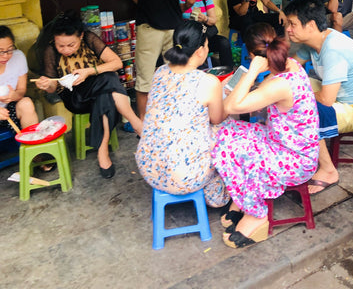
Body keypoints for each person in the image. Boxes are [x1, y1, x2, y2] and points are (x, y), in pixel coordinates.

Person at [212, 23, 319, 248]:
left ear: (253, 56)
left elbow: (230, 107)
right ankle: (242, 197)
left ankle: (256, 213)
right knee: (226, 132)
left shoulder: (279, 83)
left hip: (295, 159)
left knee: (228, 148)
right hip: (281, 142)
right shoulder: (289, 65)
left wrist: (250, 72)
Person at [284, 0, 353, 194]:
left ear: (310, 25)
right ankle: (301, 149)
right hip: (341, 99)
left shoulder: (333, 49)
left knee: (302, 109)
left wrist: (292, 96)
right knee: (289, 86)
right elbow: (289, 70)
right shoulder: (314, 41)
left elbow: (327, 100)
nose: (288, 29)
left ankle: (328, 170)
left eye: (292, 24)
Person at [36, 11, 143, 179]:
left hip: (98, 89)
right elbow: (52, 87)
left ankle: (103, 151)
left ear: (81, 36)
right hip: (74, 98)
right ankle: (135, 122)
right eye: (61, 46)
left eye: (71, 45)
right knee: (108, 81)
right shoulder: (50, 50)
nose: (65, 50)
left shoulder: (90, 39)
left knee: (105, 91)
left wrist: (89, 71)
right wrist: (47, 84)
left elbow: (116, 62)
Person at [135, 20, 229, 207]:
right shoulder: (208, 82)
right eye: (207, 45)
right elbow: (216, 118)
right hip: (186, 177)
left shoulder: (160, 72)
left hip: (149, 169)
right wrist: (226, 95)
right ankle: (217, 192)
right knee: (227, 128)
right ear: (200, 51)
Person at [179, 0, 233, 68]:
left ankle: (228, 73)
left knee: (224, 42)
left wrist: (204, 18)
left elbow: (213, 20)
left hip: (204, 36)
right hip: (187, 39)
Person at [0, 25, 38, 132]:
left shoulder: (18, 57)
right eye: (1, 51)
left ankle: (32, 143)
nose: (6, 56)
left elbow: (21, 90)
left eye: (10, 49)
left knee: (26, 103)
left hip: (8, 109)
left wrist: (14, 95)